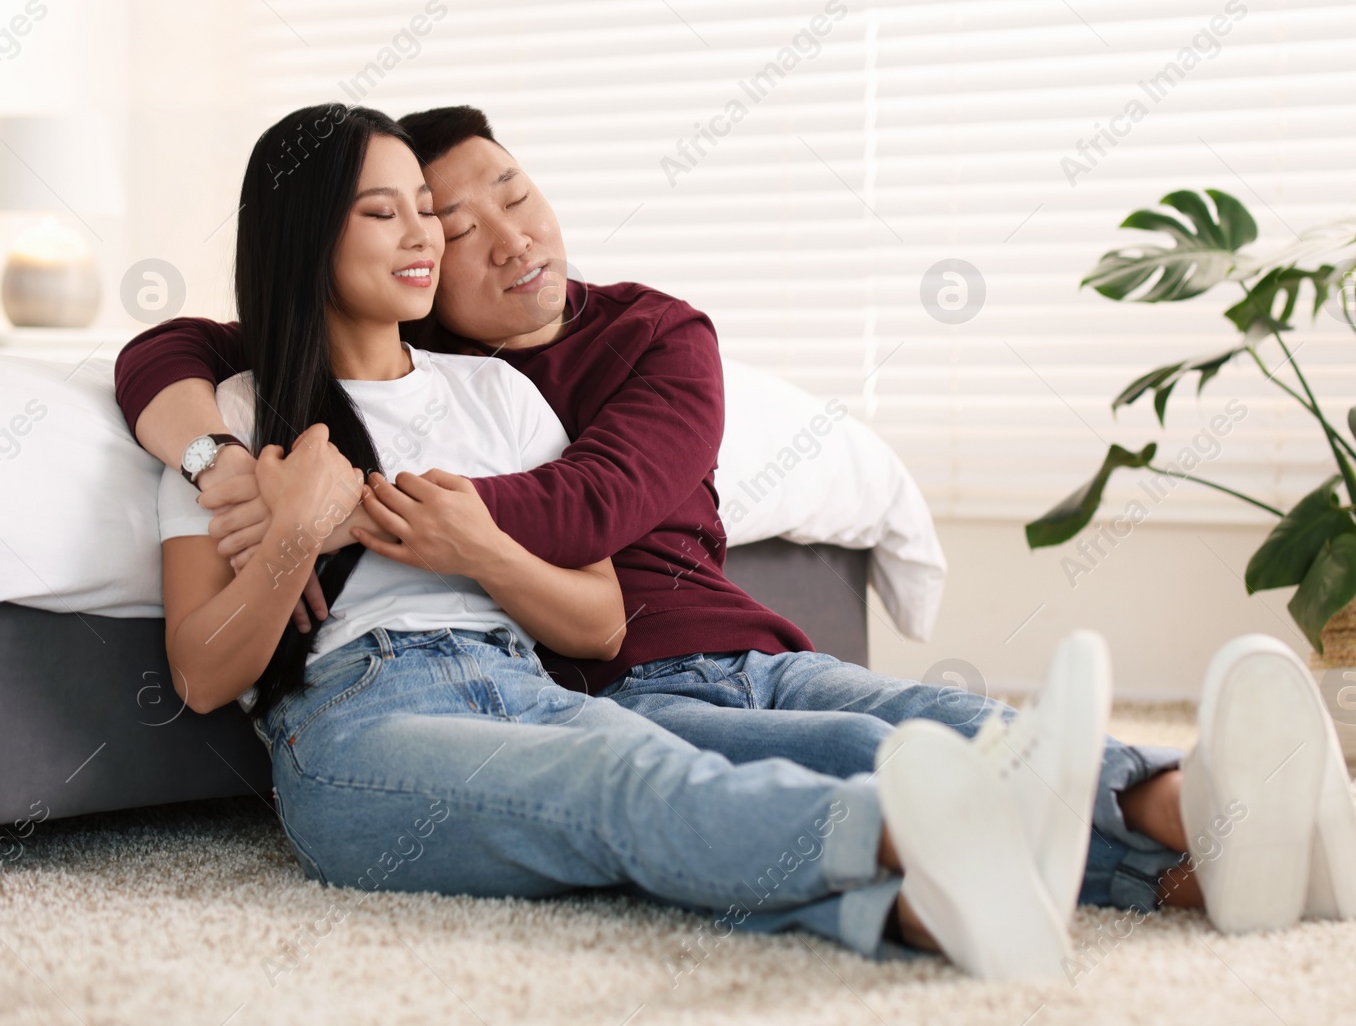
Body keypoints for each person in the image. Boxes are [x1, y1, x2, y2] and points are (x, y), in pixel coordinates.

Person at [116, 104, 1199, 921]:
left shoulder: (503, 388)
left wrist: (445, 533)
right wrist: (286, 523)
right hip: (358, 710)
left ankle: (1091, 866)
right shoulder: (238, 426)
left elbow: (595, 611)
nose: (436, 238)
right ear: (308, 237)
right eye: (391, 212)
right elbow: (207, 673)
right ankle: (940, 862)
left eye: (435, 209)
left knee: (769, 758)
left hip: (528, 671)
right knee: (632, 776)